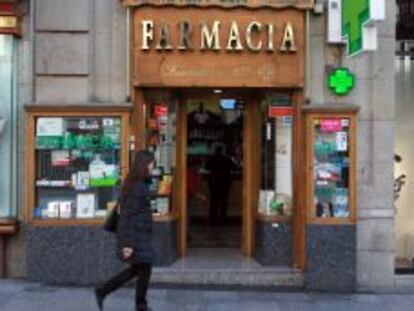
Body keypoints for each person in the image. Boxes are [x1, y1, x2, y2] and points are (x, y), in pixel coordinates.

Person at [95, 150, 155, 311]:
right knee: (142, 268)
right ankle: (106, 292)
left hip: (139, 235)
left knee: (142, 268)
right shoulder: (137, 187)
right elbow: (127, 217)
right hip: (135, 236)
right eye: (151, 164)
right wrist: (127, 244)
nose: (152, 167)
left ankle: (106, 292)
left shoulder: (136, 183)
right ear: (144, 165)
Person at [206, 146, 233, 225]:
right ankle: (223, 220)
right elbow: (234, 167)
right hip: (224, 183)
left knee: (214, 202)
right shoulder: (226, 159)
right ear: (222, 151)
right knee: (223, 202)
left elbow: (206, 167)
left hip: (214, 183)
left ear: (215, 151)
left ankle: (213, 220)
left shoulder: (211, 159)